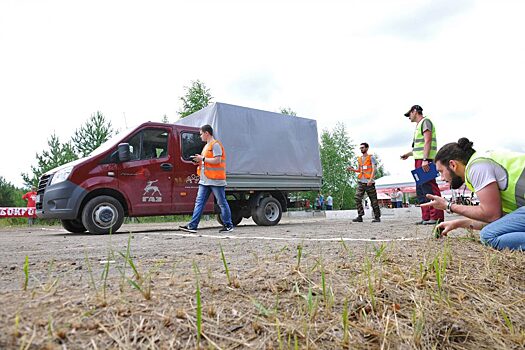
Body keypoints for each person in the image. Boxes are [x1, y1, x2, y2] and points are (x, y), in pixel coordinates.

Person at [422, 138, 525, 251]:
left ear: (452, 165)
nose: (442, 178)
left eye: (441, 171)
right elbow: (499, 221)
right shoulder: (481, 161)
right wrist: (458, 223)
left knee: (488, 236)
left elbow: (491, 215)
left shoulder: (476, 167)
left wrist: (448, 206)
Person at [180, 124, 233, 233]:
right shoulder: (206, 146)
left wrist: (202, 158)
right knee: (199, 203)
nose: (200, 136)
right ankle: (193, 226)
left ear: (206, 133)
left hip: (215, 180)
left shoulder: (215, 145)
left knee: (222, 202)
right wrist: (198, 160)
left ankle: (228, 225)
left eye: (201, 134)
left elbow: (217, 161)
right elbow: (206, 162)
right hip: (205, 180)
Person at [400, 105, 444, 225]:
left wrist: (425, 159)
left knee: (430, 187)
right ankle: (426, 216)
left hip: (426, 159)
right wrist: (409, 154)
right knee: (421, 189)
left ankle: (436, 216)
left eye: (409, 114)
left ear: (415, 111)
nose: (409, 117)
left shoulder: (425, 122)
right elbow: (420, 146)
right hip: (419, 159)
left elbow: (428, 141)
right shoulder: (418, 125)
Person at [348, 142, 381, 222]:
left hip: (369, 182)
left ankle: (377, 217)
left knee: (373, 200)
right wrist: (352, 169)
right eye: (360, 148)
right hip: (361, 182)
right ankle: (360, 215)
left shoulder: (371, 157)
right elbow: (359, 170)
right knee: (357, 198)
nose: (361, 149)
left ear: (367, 148)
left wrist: (370, 179)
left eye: (362, 148)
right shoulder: (359, 159)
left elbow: (374, 169)